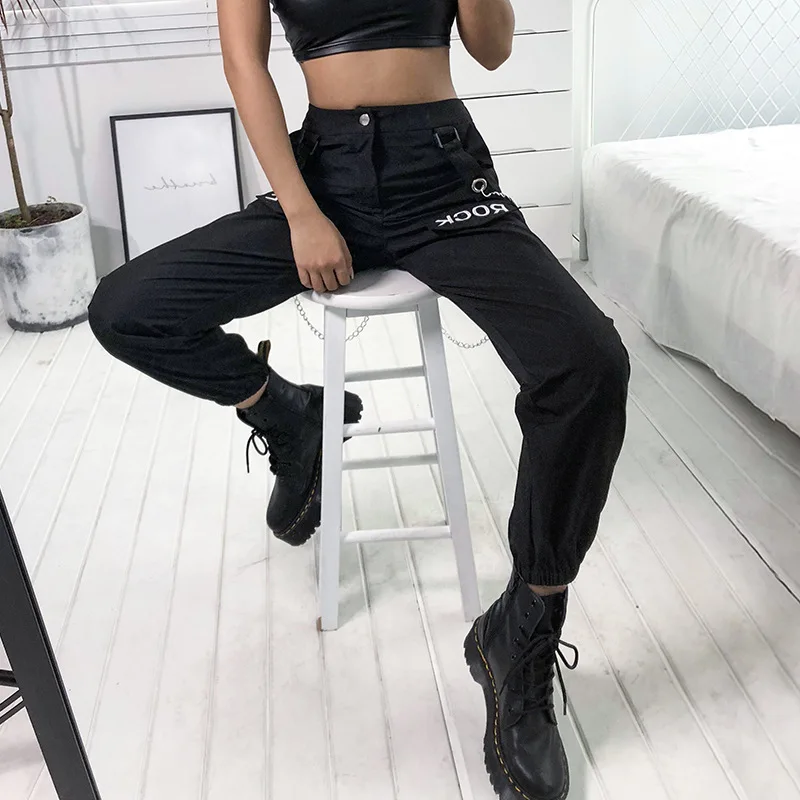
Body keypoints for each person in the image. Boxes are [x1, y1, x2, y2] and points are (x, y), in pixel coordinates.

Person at [88, 0, 630, 797]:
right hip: (325, 174)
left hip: (442, 175)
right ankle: (288, 415)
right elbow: (245, 65)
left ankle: (522, 630)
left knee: (590, 365)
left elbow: (492, 49)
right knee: (126, 309)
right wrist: (302, 212)